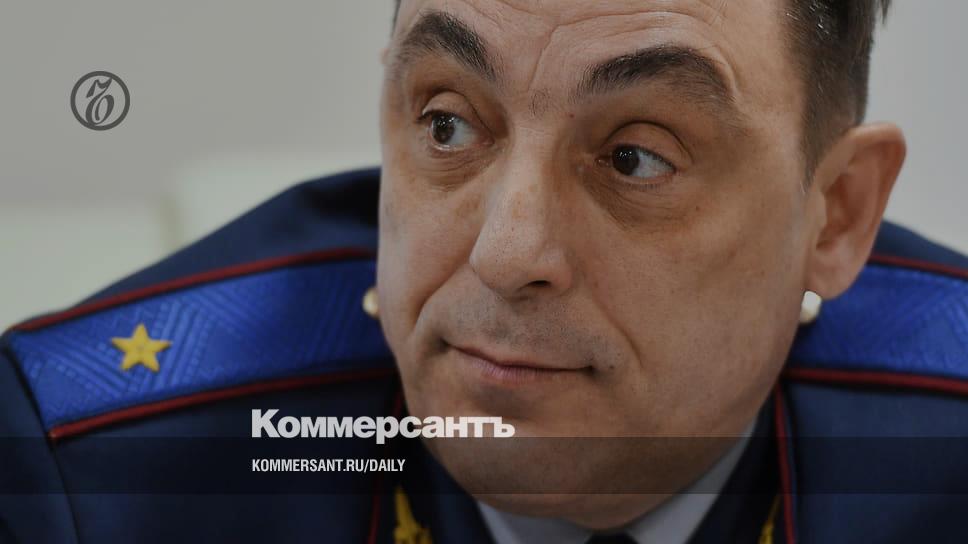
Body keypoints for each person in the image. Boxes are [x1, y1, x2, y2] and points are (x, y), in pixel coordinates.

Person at [2, 1, 967, 542]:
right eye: (447, 125)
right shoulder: (98, 470)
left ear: (836, 214)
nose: (504, 255)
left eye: (636, 157)